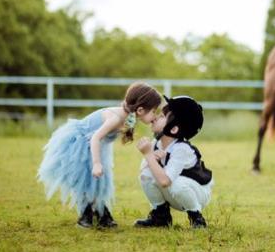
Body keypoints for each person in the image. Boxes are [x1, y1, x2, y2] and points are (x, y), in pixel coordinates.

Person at [37, 82, 161, 228]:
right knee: (87, 180)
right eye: (154, 111)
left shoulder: (128, 117)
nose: (155, 115)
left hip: (96, 146)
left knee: (100, 180)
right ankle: (86, 215)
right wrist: (96, 163)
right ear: (140, 110)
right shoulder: (115, 118)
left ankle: (102, 213)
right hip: (80, 144)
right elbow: (95, 137)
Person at [135, 95, 213, 229]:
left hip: (197, 193)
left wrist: (148, 155)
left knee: (176, 183)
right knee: (146, 174)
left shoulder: (181, 148)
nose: (156, 117)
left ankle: (196, 217)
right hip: (176, 192)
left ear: (173, 129)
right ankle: (161, 216)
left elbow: (165, 181)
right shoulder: (156, 143)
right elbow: (145, 173)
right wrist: (152, 158)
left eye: (163, 116)